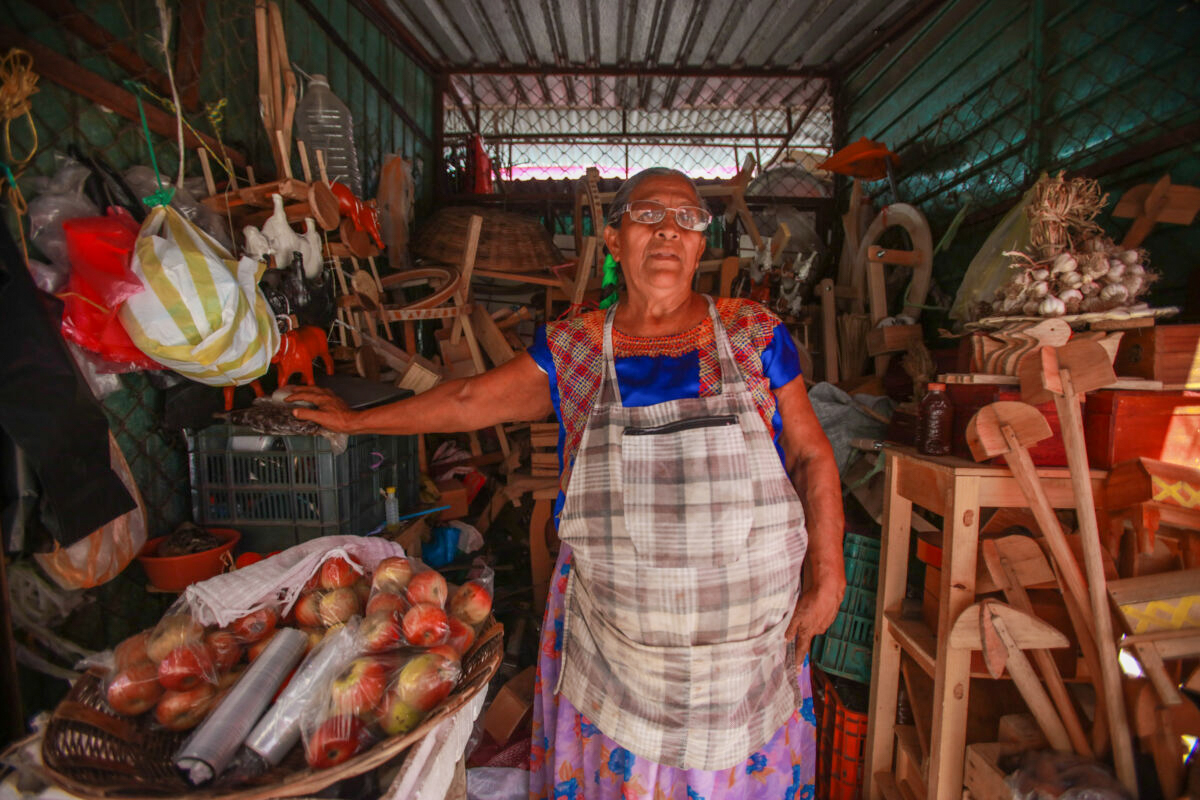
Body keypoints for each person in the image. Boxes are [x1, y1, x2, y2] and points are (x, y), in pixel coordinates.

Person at [288, 167, 845, 799]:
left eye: (687, 219)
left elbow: (810, 455)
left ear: (700, 244)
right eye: (649, 215)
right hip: (619, 645)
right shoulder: (577, 346)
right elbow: (469, 400)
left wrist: (828, 572)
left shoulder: (754, 336)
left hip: (747, 645)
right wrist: (356, 420)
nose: (669, 230)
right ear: (613, 238)